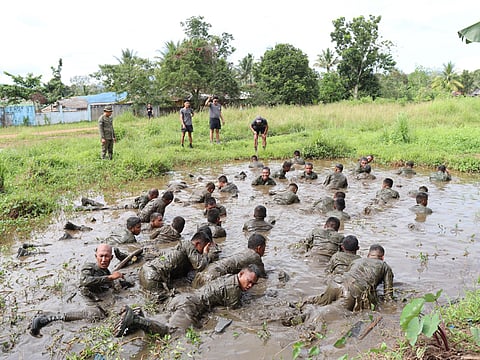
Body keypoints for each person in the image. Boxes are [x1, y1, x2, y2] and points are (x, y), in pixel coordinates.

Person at [114, 264, 261, 337]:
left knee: (166, 322)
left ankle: (139, 316)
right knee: (172, 334)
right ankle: (136, 319)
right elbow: (235, 311)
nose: (249, 286)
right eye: (248, 281)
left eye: (253, 284)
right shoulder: (234, 289)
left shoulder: (230, 277)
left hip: (181, 298)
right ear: (241, 273)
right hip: (191, 305)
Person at [29, 244, 127, 336]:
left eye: (107, 256)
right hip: (83, 295)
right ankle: (48, 319)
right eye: (101, 256)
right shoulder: (89, 267)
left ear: (111, 258)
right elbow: (84, 281)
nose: (103, 260)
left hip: (95, 296)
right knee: (95, 315)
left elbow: (107, 285)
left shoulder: (105, 271)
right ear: (96, 256)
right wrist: (110, 278)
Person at [302, 244, 394, 311]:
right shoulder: (385, 266)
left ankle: (301, 303)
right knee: (331, 313)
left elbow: (347, 274)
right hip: (353, 291)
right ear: (382, 257)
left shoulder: (358, 260)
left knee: (318, 302)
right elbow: (388, 295)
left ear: (368, 255)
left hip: (336, 282)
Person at [138, 230, 216, 300]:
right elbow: (200, 265)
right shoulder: (189, 245)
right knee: (168, 300)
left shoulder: (182, 247)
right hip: (152, 276)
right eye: (204, 247)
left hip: (145, 271)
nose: (203, 250)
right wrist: (206, 253)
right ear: (197, 244)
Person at [192, 233, 267, 288]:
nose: (264, 251)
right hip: (214, 276)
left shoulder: (244, 251)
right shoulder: (255, 257)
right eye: (264, 249)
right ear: (259, 248)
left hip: (205, 271)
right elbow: (262, 276)